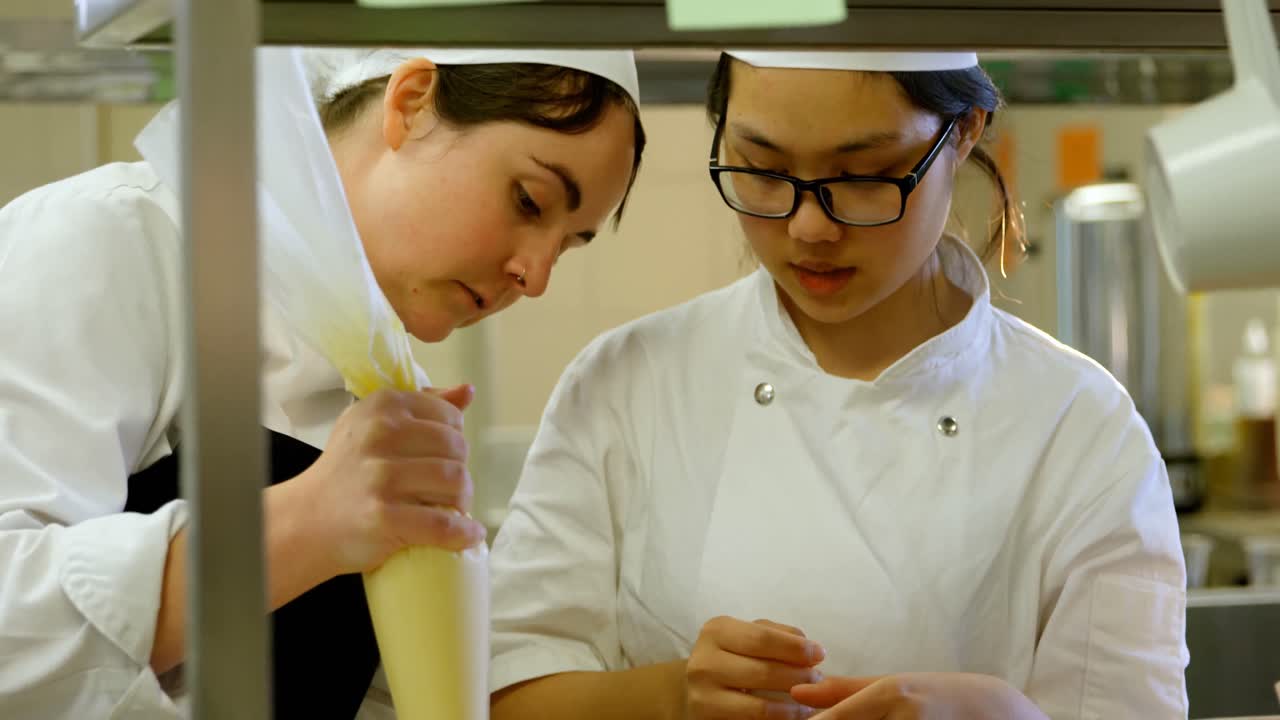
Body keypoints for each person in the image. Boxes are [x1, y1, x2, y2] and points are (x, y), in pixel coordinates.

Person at [487, 50, 1187, 720]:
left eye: (864, 174)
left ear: (964, 132)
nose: (809, 226)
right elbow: (500, 694)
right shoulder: (626, 385)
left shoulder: (1082, 430)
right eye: (762, 169)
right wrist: (670, 699)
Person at [0, 46, 644, 719]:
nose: (535, 276)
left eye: (569, 244)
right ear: (412, 101)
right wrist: (309, 522)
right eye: (529, 200)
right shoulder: (114, 242)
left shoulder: (377, 369)